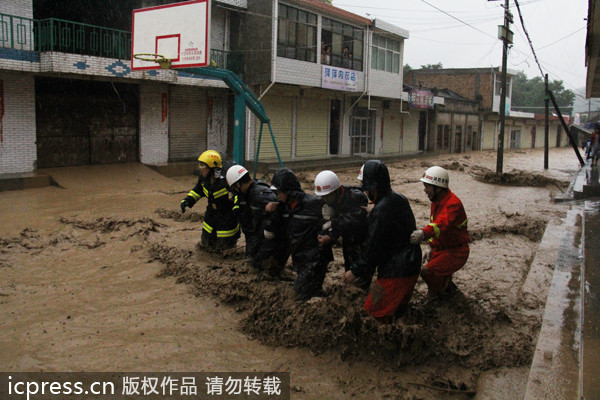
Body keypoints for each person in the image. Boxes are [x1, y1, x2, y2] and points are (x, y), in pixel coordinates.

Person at [342, 160, 421, 324]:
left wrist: (354, 271)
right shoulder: (399, 199)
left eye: (365, 185)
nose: (364, 190)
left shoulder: (380, 211)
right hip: (411, 265)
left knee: (373, 315)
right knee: (398, 314)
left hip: (396, 272)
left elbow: (372, 248)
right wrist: (376, 210)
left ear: (371, 185)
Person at [267, 168, 333, 301]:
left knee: (297, 297)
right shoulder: (282, 208)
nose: (277, 195)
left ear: (288, 191)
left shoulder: (314, 204)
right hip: (300, 259)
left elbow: (337, 207)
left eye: (279, 192)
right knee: (306, 292)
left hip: (315, 260)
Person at [410, 166, 470, 299]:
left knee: (427, 272)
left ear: (438, 188)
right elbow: (436, 227)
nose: (424, 190)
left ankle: (449, 297)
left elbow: (439, 225)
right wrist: (431, 246)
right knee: (434, 278)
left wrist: (423, 234)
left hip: (456, 252)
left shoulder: (452, 204)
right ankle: (444, 295)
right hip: (443, 248)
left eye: (427, 186)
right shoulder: (436, 202)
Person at [225, 164, 288, 275]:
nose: (234, 192)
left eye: (234, 188)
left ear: (238, 184)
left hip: (273, 239)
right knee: (253, 264)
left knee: (264, 270)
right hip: (259, 237)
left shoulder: (260, 194)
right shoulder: (247, 194)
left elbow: (284, 209)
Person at [314, 170, 370, 289]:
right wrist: (330, 236)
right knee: (349, 268)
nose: (324, 199)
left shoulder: (356, 197)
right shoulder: (331, 200)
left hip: (362, 240)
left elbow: (355, 221)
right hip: (348, 240)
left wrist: (333, 221)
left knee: (359, 275)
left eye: (326, 196)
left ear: (335, 191)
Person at [180, 150, 240, 250]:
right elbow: (198, 190)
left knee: (225, 248)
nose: (201, 170)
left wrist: (237, 205)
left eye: (203, 167)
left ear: (212, 167)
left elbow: (238, 194)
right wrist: (187, 200)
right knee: (205, 243)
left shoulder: (226, 180)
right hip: (211, 214)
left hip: (226, 217)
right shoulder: (204, 179)